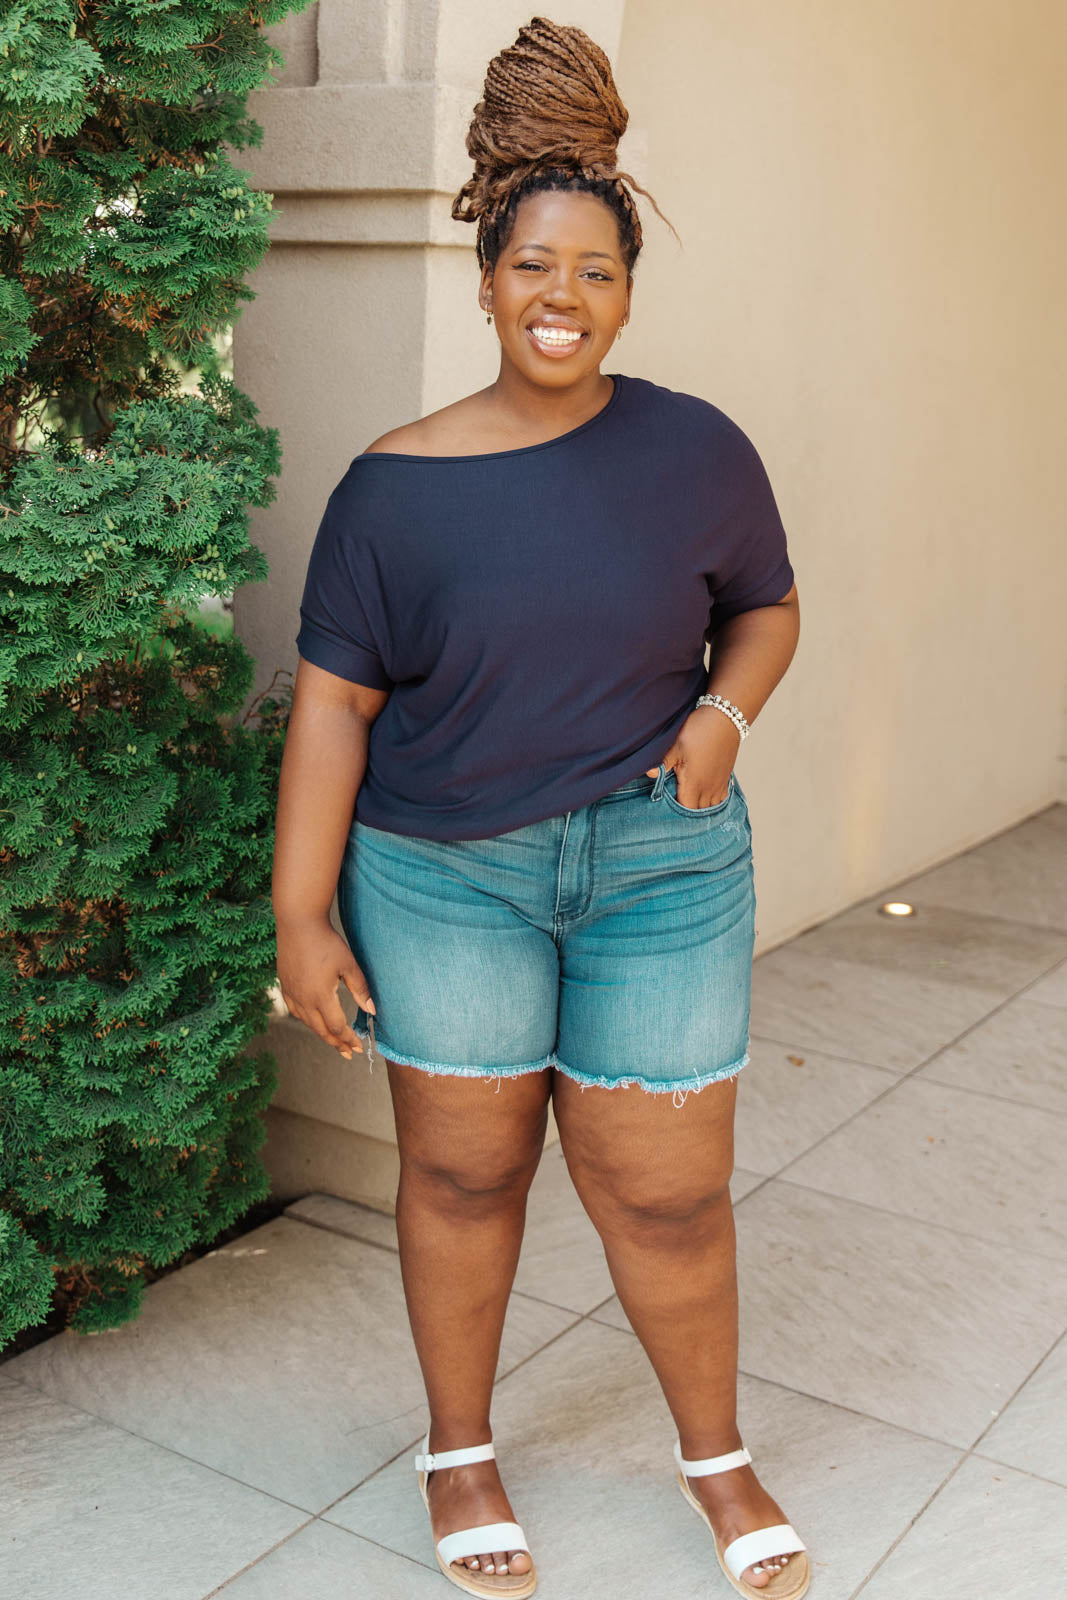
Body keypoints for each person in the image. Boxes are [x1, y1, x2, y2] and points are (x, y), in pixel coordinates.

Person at [273, 15, 809, 1599]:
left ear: (626, 290)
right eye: (533, 267)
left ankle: (716, 1456)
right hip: (445, 878)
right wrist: (303, 913)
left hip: (661, 864)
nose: (560, 298)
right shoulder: (394, 484)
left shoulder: (700, 450)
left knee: (667, 1185)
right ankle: (462, 1449)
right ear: (487, 276)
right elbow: (333, 709)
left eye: (594, 271)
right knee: (459, 1173)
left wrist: (721, 716)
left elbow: (767, 611)